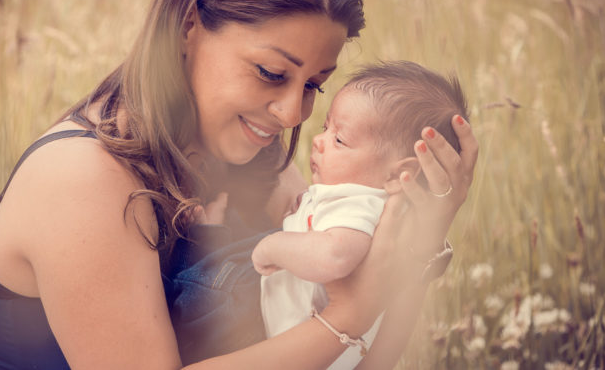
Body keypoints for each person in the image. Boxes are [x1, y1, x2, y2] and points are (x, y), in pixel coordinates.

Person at [0, 0, 478, 369]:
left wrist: (417, 245)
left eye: (314, 86)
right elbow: (346, 324)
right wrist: (349, 316)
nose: (290, 114)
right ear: (189, 24)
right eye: (271, 73)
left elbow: (358, 360)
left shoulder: (253, 149)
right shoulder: (81, 180)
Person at [173, 61, 468, 369]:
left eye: (339, 140)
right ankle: (209, 235)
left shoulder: (360, 204)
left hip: (274, 325)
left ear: (399, 174)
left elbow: (336, 254)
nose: (319, 140)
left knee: (197, 290)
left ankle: (206, 237)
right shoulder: (360, 198)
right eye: (327, 128)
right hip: (295, 327)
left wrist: (273, 246)